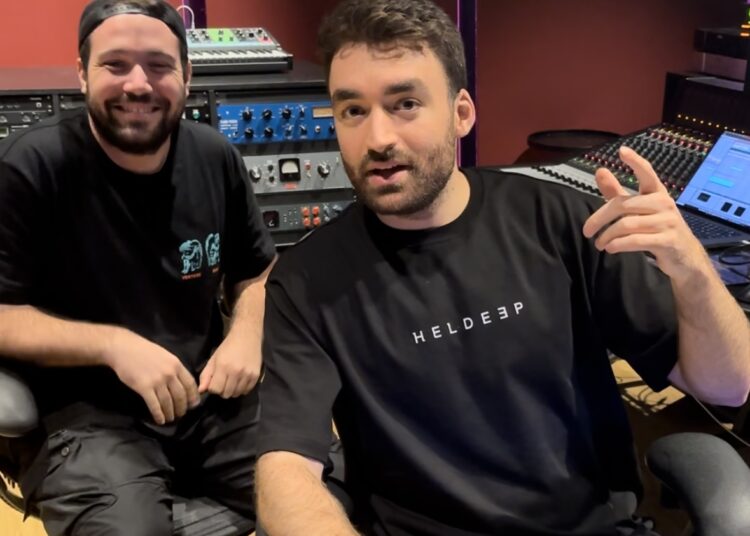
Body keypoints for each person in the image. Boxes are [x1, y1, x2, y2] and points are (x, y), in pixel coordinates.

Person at [254, 0, 750, 535]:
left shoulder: (562, 221)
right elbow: (286, 467)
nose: (378, 139)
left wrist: (693, 271)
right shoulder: (306, 280)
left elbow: (728, 386)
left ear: (462, 113)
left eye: (406, 104)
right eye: (353, 110)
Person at [0, 1, 276, 534]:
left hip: (209, 400)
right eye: (115, 64)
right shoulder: (29, 167)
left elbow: (258, 272)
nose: (138, 84)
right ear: (82, 73)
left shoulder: (215, 155)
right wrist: (114, 345)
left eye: (158, 65)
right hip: (84, 419)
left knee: (329, 487)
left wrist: (246, 333)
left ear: (187, 76)